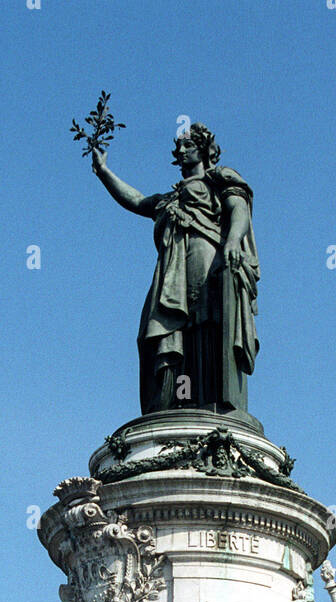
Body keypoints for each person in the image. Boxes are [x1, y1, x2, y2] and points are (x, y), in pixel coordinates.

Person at [92, 122, 259, 414]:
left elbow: (238, 209)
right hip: (172, 271)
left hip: (205, 256)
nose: (180, 151)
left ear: (205, 150)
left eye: (188, 146)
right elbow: (136, 200)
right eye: (178, 147)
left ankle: (212, 397)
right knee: (170, 330)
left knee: (205, 323)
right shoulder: (169, 199)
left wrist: (232, 240)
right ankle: (180, 400)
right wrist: (104, 173)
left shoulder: (219, 178)